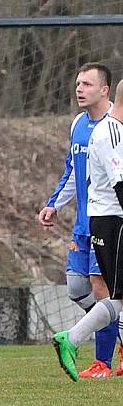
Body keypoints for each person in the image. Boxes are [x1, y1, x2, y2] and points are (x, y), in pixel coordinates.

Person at [39, 63, 122, 378]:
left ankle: (102, 362)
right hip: (86, 222)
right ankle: (113, 332)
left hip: (110, 221)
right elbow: (72, 170)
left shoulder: (115, 125)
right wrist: (54, 204)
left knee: (105, 291)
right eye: (77, 83)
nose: (79, 89)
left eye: (87, 84)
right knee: (77, 287)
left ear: (105, 89)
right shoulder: (78, 124)